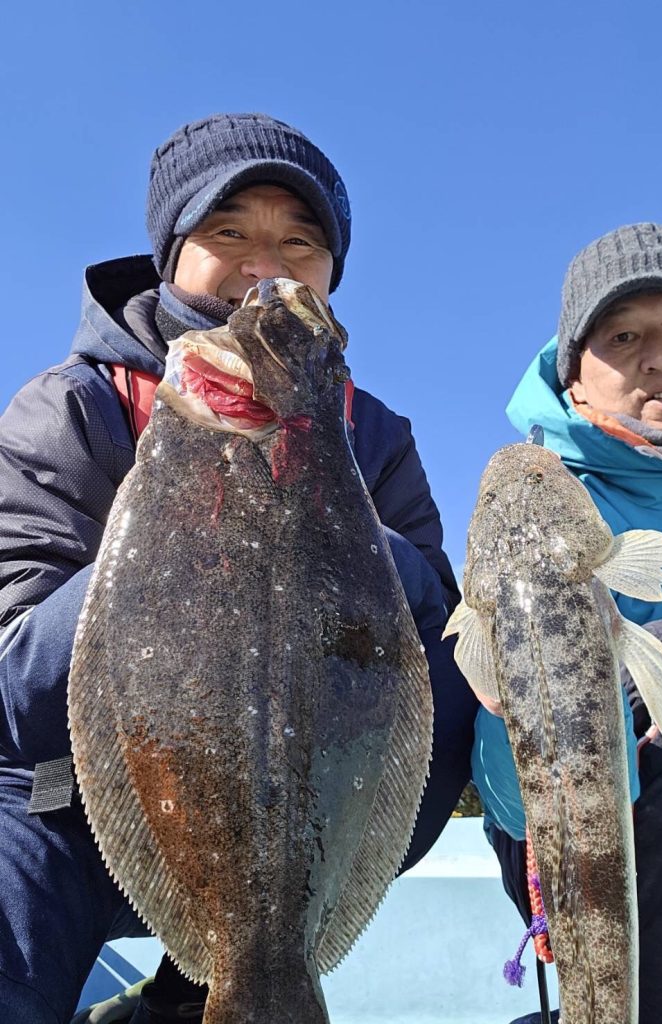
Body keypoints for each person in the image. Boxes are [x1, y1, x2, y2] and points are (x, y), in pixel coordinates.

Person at [0, 113, 478, 1024]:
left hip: (302, 839)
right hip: (53, 807)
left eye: (301, 243)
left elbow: (437, 638)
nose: (267, 267)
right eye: (230, 234)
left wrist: (337, 530)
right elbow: (13, 682)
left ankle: (195, 996)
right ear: (171, 252)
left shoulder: (371, 436)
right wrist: (178, 523)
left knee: (457, 685)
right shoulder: (74, 408)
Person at [472, 223, 662, 1024]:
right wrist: (513, 709)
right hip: (595, 845)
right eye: (623, 337)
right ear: (574, 381)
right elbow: (511, 800)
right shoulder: (545, 506)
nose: (661, 355)